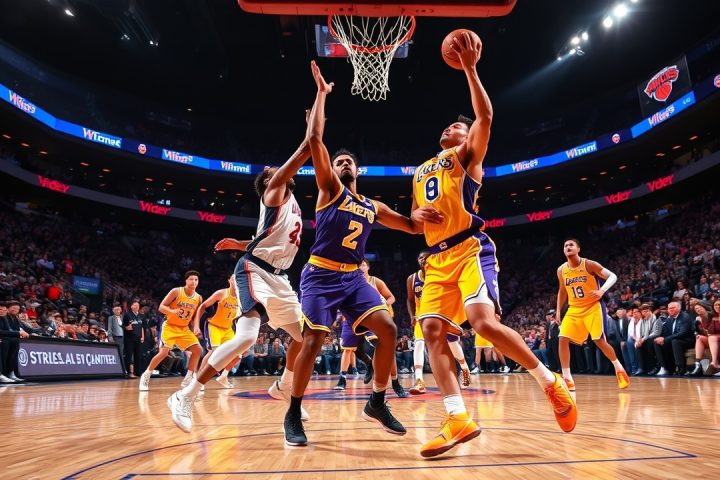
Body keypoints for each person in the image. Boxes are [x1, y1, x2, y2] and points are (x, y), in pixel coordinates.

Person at [410, 32, 576, 458]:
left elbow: (485, 115)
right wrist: (417, 216)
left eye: (458, 126)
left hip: (470, 248)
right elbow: (413, 219)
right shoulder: (421, 170)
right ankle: (457, 417)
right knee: (431, 330)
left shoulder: (467, 157)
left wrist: (469, 68)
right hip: (436, 258)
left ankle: (550, 382)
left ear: (468, 138)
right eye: (449, 125)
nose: (451, 126)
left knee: (482, 324)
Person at [283, 61, 434, 447]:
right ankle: (293, 411)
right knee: (314, 340)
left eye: (349, 161)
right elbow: (315, 141)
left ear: (358, 169)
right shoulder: (329, 190)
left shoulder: (372, 205)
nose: (344, 163)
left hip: (353, 277)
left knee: (389, 330)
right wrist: (321, 95)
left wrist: (419, 209)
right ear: (331, 171)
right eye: (339, 162)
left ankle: (377, 402)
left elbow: (412, 227)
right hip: (320, 274)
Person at [168, 101, 313, 433]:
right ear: (270, 182)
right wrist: (313, 123)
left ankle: (284, 387)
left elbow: (268, 238)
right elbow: (307, 149)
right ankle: (186, 395)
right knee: (247, 337)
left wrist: (237, 242)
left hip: (279, 279)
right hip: (254, 271)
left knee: (306, 338)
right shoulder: (274, 191)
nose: (276, 169)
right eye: (272, 171)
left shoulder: (289, 203)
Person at [555, 239, 629, 390]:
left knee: (599, 340)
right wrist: (558, 311)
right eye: (565, 245)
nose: (568, 247)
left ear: (578, 249)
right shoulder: (561, 270)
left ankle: (619, 368)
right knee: (562, 338)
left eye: (571, 245)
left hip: (593, 306)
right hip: (574, 308)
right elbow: (562, 291)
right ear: (563, 251)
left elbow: (613, 276)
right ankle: (567, 378)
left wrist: (602, 290)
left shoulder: (589, 264)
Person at [406, 250, 471, 395]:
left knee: (453, 344)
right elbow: (409, 300)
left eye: (426, 257)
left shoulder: (442, 274)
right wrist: (412, 315)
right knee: (419, 343)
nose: (423, 259)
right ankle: (419, 381)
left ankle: (465, 368)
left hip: (442, 314)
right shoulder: (412, 278)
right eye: (420, 257)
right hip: (422, 316)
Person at [139, 271, 203, 391]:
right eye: (191, 279)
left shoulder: (198, 298)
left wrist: (196, 326)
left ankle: (188, 378)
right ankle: (146, 375)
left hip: (184, 328)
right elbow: (161, 307)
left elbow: (195, 316)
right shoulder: (176, 291)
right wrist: (172, 311)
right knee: (163, 353)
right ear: (186, 280)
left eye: (196, 279)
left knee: (198, 350)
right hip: (170, 326)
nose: (193, 282)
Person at [195, 277, 241, 388]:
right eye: (233, 279)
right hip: (213, 326)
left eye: (238, 278)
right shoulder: (221, 293)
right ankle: (198, 379)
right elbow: (202, 306)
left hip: (228, 329)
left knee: (237, 355)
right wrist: (196, 325)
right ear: (229, 281)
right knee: (213, 352)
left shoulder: (241, 298)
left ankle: (223, 377)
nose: (236, 281)